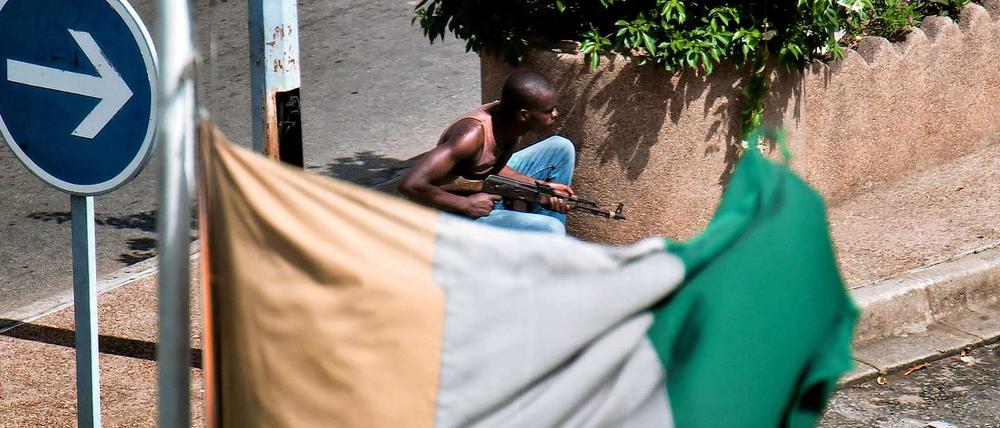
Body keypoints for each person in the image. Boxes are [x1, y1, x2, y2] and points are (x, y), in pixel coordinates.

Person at [398, 70, 576, 235]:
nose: (555, 114)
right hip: (450, 211)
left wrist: (540, 188)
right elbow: (410, 184)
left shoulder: (510, 121)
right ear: (524, 115)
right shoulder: (470, 136)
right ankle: (546, 242)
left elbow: (489, 167)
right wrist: (467, 205)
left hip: (480, 188)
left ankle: (540, 236)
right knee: (550, 228)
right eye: (548, 111)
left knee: (561, 148)